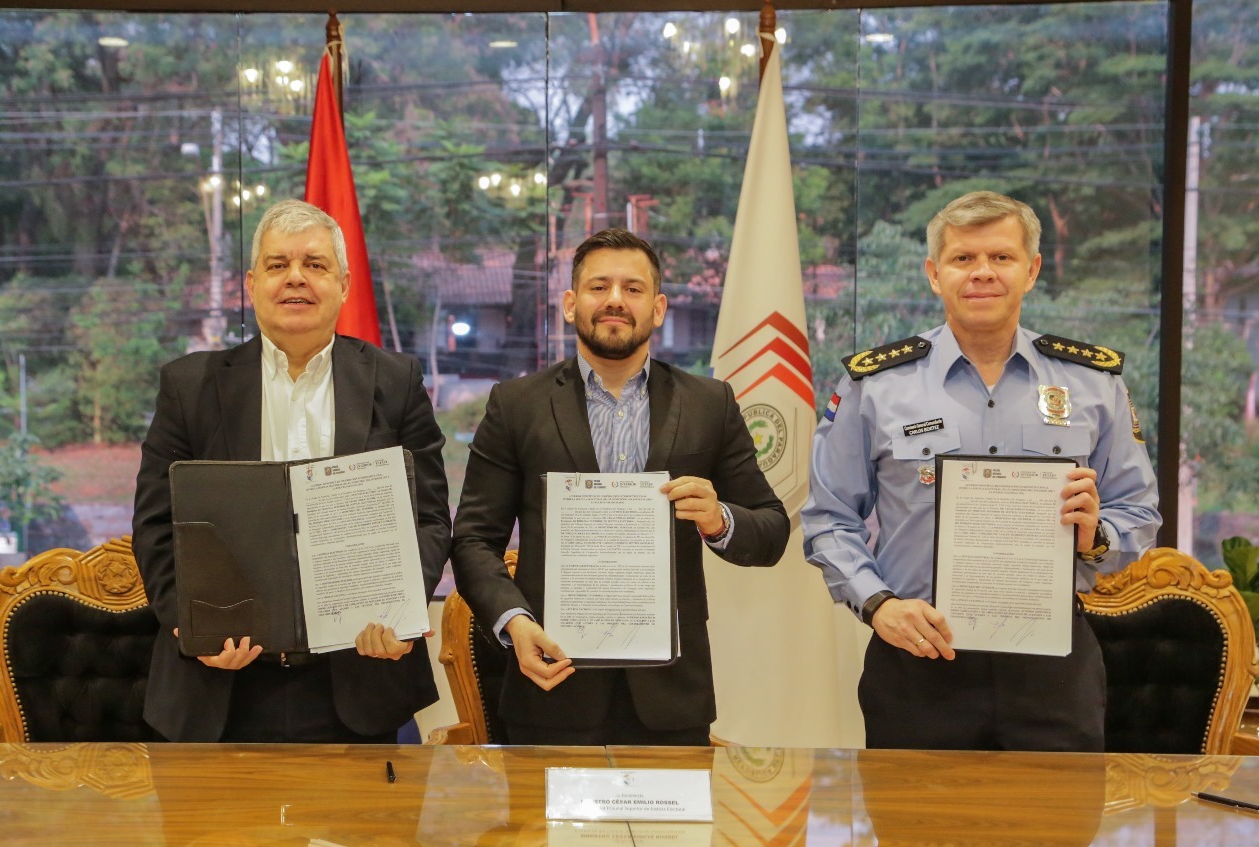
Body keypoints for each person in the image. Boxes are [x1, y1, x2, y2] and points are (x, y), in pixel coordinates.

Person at [802, 190, 1161, 752]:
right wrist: (878, 604)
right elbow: (828, 518)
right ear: (934, 273)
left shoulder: (1093, 383)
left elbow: (1138, 511)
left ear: (1032, 270)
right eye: (963, 259)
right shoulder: (875, 385)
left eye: (1001, 257)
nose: (982, 274)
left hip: (1053, 669)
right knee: (916, 836)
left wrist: (1097, 538)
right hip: (917, 661)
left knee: (1054, 833)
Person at [450, 227, 789, 746]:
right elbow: (473, 539)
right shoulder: (515, 405)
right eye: (598, 287)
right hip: (550, 686)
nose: (615, 301)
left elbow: (771, 530)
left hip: (673, 697)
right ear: (570, 303)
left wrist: (720, 519)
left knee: (676, 832)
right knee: (544, 834)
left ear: (657, 308)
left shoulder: (709, 402)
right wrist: (515, 624)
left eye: (632, 289)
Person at [132, 199, 450, 743]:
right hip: (217, 686)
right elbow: (156, 526)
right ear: (252, 284)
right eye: (278, 265)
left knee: (364, 832)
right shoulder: (189, 387)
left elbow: (429, 520)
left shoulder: (394, 382)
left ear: (344, 285)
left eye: (315, 264)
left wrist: (397, 611)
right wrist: (194, 629)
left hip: (358, 679)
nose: (295, 278)